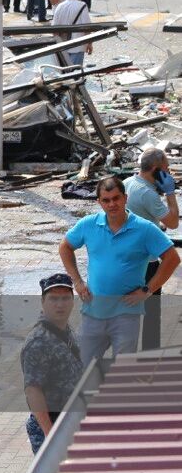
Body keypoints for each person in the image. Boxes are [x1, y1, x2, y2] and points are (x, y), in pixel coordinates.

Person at [59, 177, 180, 366]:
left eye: (116, 198)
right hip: (93, 312)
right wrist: (77, 282)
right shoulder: (88, 224)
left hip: (126, 315)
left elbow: (172, 258)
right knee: (80, 366)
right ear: (99, 202)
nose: (112, 204)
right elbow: (65, 247)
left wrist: (148, 290)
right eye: (106, 200)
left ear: (125, 198)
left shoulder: (144, 229)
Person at [123, 149, 180, 351]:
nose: (168, 175)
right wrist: (171, 193)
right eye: (165, 170)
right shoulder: (148, 194)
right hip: (146, 263)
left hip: (126, 258)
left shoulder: (129, 183)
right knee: (151, 314)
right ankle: (149, 357)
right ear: (156, 170)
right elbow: (173, 222)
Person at [21, 273, 83, 454]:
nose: (60, 304)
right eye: (53, 299)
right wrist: (51, 435)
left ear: (72, 301)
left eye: (65, 298)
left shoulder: (64, 329)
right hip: (51, 426)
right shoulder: (38, 341)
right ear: (43, 302)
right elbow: (33, 391)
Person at [51, 0, 93, 66]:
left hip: (62, 46)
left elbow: (54, 29)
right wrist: (89, 44)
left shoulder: (60, 6)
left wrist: (57, 45)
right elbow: (87, 27)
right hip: (78, 46)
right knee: (75, 74)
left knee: (64, 74)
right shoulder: (82, 5)